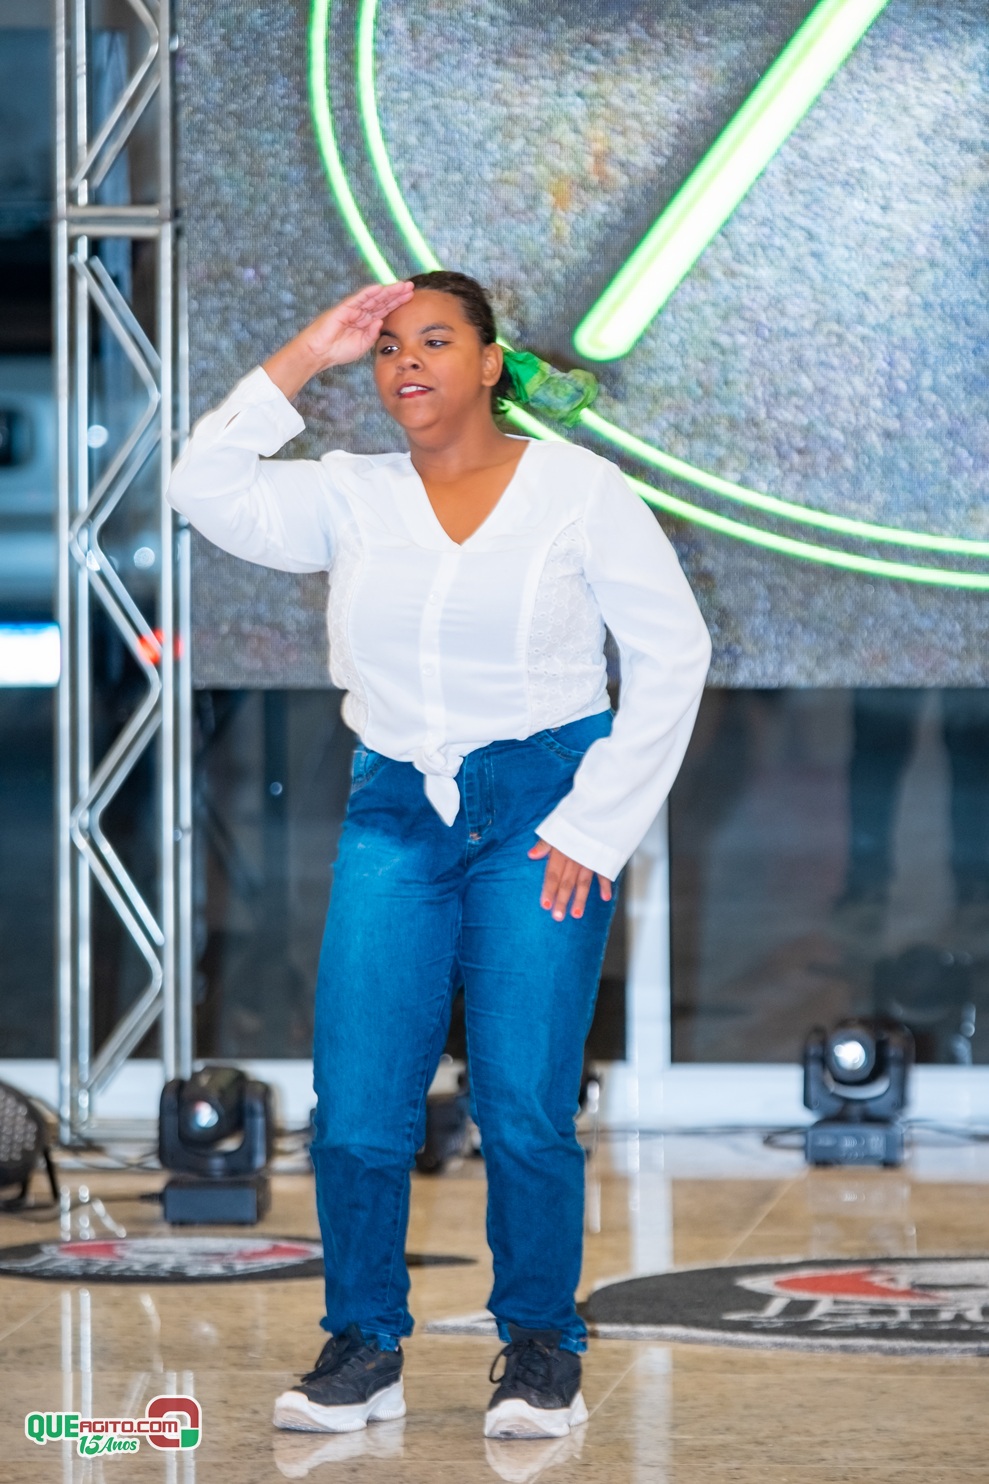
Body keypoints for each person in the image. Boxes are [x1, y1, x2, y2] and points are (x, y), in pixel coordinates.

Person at [168, 271, 711, 1441]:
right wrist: (307, 351)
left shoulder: (578, 489)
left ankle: (540, 1348)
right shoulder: (349, 492)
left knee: (522, 1104)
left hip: (543, 812)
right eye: (386, 348)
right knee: (357, 1106)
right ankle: (362, 1346)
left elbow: (672, 652)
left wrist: (592, 823)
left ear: (488, 361)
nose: (404, 362)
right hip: (395, 808)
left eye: (433, 340)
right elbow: (200, 485)